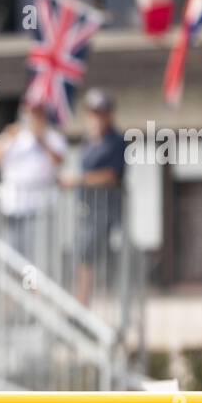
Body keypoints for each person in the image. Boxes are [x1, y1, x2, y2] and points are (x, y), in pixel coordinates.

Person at [61, 88, 126, 305]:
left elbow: (112, 175)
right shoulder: (88, 141)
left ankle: (83, 305)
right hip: (86, 209)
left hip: (105, 211)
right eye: (93, 113)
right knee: (82, 256)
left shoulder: (116, 141)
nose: (96, 118)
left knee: (88, 257)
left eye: (101, 113)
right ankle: (82, 305)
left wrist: (79, 180)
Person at [0, 101, 66, 260]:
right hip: (13, 207)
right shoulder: (14, 135)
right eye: (31, 114)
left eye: (38, 115)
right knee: (13, 256)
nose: (34, 119)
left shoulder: (53, 136)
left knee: (38, 257)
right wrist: (7, 137)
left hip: (41, 208)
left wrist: (42, 141)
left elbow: (59, 160)